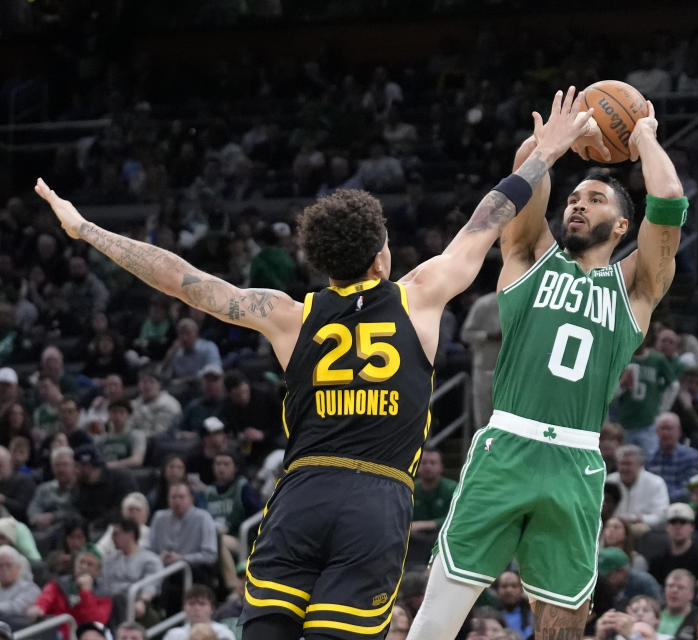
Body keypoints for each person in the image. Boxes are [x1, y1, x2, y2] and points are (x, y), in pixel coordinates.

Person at [35, 86, 595, 640]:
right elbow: (490, 217)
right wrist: (547, 150)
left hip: (302, 495)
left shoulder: (288, 316)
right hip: (375, 504)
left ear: (324, 262)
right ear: (382, 254)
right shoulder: (420, 294)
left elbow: (188, 283)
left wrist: (87, 230)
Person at [405, 89, 687, 639]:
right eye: (574, 197)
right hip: (506, 447)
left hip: (577, 463)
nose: (578, 204)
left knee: (562, 629)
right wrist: (556, 141)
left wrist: (644, 135)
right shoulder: (528, 257)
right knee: (433, 623)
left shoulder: (635, 288)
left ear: (624, 227)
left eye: (596, 199)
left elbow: (670, 196)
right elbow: (522, 173)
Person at [99, 517, 163, 622]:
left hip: (136, 604)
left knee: (119, 599)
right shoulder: (109, 560)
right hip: (109, 604)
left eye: (116, 534)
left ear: (130, 535)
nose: (112, 538)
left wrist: (142, 601)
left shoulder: (150, 559)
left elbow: (151, 585)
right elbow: (103, 585)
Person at [607, 444, 671, 534]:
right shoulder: (609, 481)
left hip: (643, 531)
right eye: (621, 463)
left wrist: (636, 518)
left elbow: (661, 518)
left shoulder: (656, 482)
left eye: (628, 464)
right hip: (613, 528)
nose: (624, 468)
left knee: (640, 529)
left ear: (640, 465)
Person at [410, 446, 458, 565]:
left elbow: (457, 518)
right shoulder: (410, 489)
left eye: (433, 463)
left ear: (441, 466)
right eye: (424, 463)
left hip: (443, 536)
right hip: (415, 539)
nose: (428, 466)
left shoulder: (453, 488)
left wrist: (423, 525)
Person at [461, 291, 501, 430]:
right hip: (484, 368)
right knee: (484, 415)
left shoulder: (523, 300)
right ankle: (482, 450)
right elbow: (466, 334)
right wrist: (488, 336)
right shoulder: (484, 303)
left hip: (512, 370)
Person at [648, 503, 698, 584]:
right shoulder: (657, 561)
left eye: (683, 522)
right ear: (667, 527)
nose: (677, 527)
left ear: (692, 527)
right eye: (673, 522)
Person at [646, 412, 698, 502]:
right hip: (654, 504)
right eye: (662, 428)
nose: (665, 433)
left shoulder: (692, 456)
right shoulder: (649, 457)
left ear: (679, 431)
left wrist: (664, 499)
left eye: (669, 428)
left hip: (681, 505)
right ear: (656, 432)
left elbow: (691, 488)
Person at [26, 445, 76, 531]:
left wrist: (53, 517)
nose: (61, 469)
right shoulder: (43, 488)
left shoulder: (80, 488)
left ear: (74, 465)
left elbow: (75, 512)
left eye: (65, 464)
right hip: (42, 531)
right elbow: (32, 510)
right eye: (57, 465)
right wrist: (37, 519)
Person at [162, 585, 235, 640]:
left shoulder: (223, 633)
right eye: (191, 603)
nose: (196, 608)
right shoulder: (174, 635)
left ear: (212, 608)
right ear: (184, 608)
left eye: (202, 604)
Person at [0, 544, 41, 630]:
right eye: (0, 565)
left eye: (8, 565)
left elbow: (15, 608)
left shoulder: (31, 588)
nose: (4, 569)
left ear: (18, 567)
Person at [493, 570, 533, 639]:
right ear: (497, 591)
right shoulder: (490, 616)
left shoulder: (534, 614)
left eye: (514, 586)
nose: (509, 590)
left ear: (522, 590)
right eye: (504, 586)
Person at [658, 569, 697, 637]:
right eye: (670, 586)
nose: (674, 590)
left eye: (680, 587)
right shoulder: (652, 613)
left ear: (691, 594)